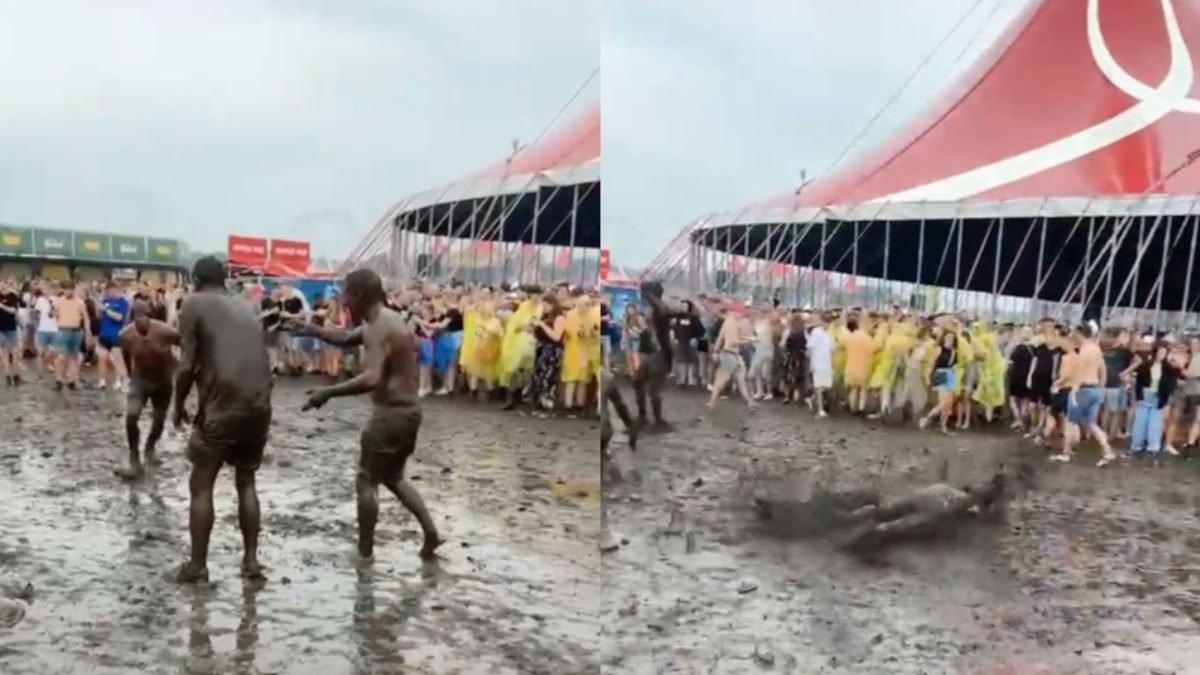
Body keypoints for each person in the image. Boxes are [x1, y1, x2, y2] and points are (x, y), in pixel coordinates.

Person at [295, 268, 443, 560]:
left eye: (347, 295)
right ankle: (431, 534)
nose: (345, 302)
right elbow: (348, 337)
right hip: (409, 413)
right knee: (393, 477)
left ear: (359, 295)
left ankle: (364, 551)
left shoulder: (379, 325)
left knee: (366, 480)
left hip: (390, 415)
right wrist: (311, 328)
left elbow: (372, 378)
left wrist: (328, 393)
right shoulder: (386, 319)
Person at [172, 256, 273, 583]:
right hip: (258, 406)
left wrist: (177, 405)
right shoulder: (245, 306)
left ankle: (197, 566)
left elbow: (186, 365)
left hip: (222, 407)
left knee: (201, 485)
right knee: (246, 481)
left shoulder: (194, 303)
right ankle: (251, 561)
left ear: (196, 280)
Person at [115, 300, 180, 479]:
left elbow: (185, 343)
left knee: (159, 419)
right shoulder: (126, 335)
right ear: (132, 319)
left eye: (143, 316)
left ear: (149, 316)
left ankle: (150, 446)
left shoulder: (165, 331)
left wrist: (182, 367)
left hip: (163, 379)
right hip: (140, 379)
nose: (140, 321)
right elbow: (126, 354)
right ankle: (134, 455)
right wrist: (129, 375)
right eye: (136, 317)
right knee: (131, 416)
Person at [1052, 323, 1115, 466]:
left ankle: (1066, 452)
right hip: (1095, 389)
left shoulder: (1084, 350)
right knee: (1091, 423)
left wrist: (1074, 389)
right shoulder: (1096, 349)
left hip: (1083, 389)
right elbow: (1102, 369)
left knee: (1069, 421)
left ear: (1080, 334)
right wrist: (1102, 388)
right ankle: (1107, 450)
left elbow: (1079, 372)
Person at [52, 280, 90, 390]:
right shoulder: (58, 301)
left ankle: (71, 380)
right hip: (63, 330)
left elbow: (86, 318)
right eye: (66, 289)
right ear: (63, 290)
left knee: (73, 356)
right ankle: (59, 379)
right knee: (61, 357)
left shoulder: (80, 302)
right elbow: (54, 314)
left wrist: (87, 332)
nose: (68, 291)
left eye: (70, 289)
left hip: (76, 331)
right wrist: (57, 321)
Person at [95, 282, 130, 392]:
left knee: (118, 359)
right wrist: (99, 309)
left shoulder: (122, 302)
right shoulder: (105, 301)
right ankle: (102, 381)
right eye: (108, 291)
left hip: (116, 335)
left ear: (117, 290)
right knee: (102, 358)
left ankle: (124, 381)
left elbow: (119, 317)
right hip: (104, 334)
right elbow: (99, 317)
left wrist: (106, 310)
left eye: (112, 291)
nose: (110, 293)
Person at [807, 313, 834, 418]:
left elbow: (831, 348)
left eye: (828, 322)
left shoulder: (829, 334)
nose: (826, 324)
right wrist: (812, 364)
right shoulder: (816, 332)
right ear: (821, 321)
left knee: (826, 387)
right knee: (819, 387)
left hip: (827, 363)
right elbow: (811, 348)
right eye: (825, 322)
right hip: (817, 363)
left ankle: (811, 399)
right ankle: (820, 409)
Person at [0, 279, 24, 386]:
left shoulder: (12, 296)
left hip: (11, 328)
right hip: (1, 329)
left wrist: (2, 306)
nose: (2, 287)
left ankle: (16, 374)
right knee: (4, 353)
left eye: (4, 284)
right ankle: (7, 375)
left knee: (15, 353)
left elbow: (14, 311)